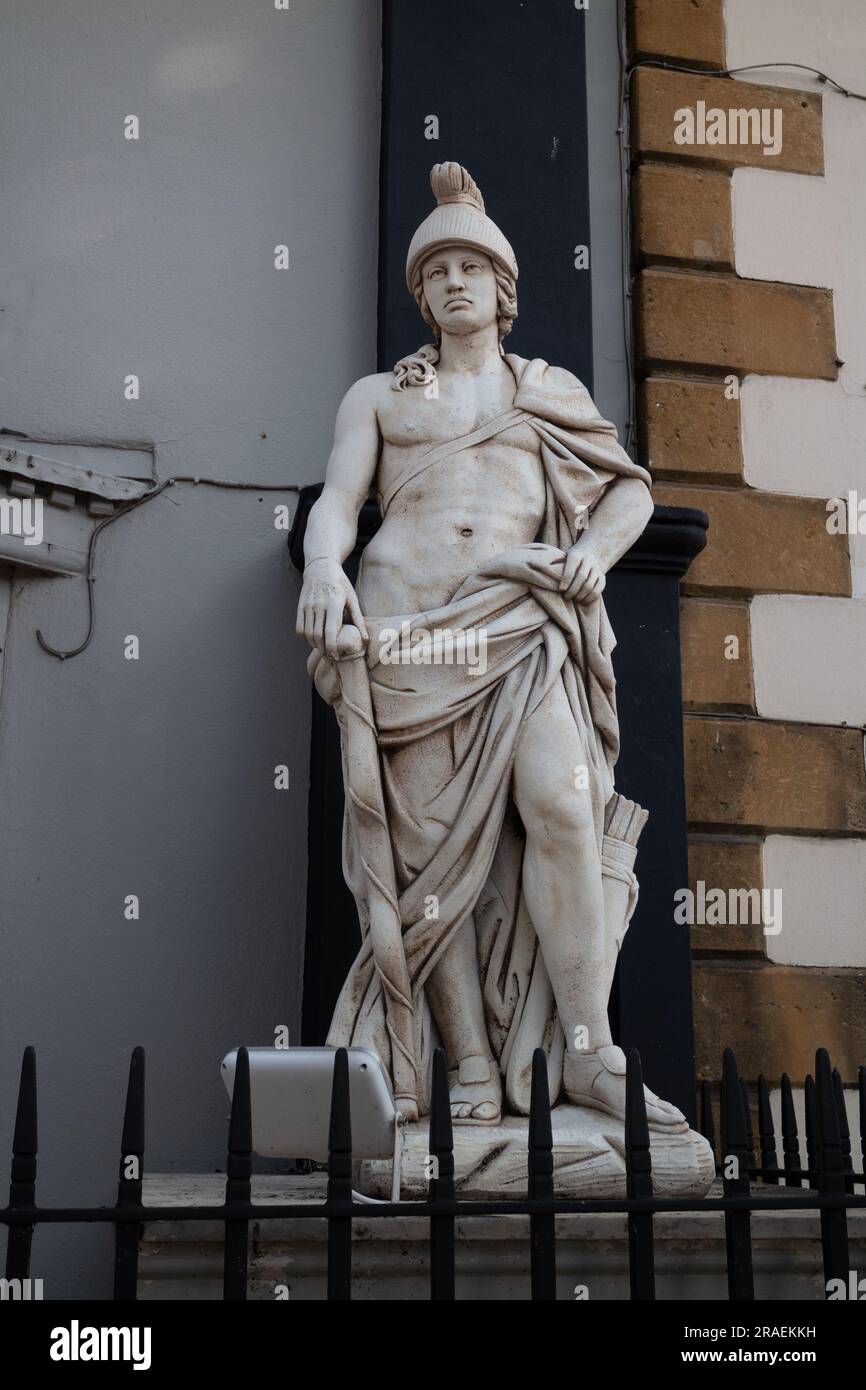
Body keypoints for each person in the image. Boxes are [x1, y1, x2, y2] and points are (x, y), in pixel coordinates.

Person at [297, 163, 686, 1132]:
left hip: (517, 627)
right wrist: (319, 568)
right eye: (436, 271)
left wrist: (592, 554)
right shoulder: (381, 398)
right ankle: (467, 1061)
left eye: (472, 265)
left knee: (562, 804)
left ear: (502, 291)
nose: (455, 281)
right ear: (421, 295)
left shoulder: (545, 391)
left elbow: (627, 489)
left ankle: (590, 1051)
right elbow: (339, 505)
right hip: (408, 635)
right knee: (437, 869)